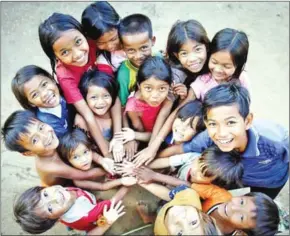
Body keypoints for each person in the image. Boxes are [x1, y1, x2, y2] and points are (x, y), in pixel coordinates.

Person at [38, 12, 123, 161]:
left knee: (121, 102)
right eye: (65, 52)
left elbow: (113, 92)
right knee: (80, 121)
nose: (77, 54)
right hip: (89, 105)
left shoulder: (93, 43)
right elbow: (88, 116)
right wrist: (107, 156)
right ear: (56, 56)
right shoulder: (65, 75)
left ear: (84, 34)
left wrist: (118, 139)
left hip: (104, 93)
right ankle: (95, 151)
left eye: (78, 42)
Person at [182, 83, 289, 199]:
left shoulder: (274, 141)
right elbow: (182, 148)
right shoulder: (208, 137)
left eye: (231, 122)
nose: (221, 133)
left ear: (247, 121)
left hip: (271, 182)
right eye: (213, 123)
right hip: (237, 181)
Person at [132, 19, 210, 167]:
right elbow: (168, 110)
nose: (192, 58)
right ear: (176, 54)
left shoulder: (214, 66)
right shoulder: (176, 73)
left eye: (197, 49)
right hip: (181, 119)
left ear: (206, 46)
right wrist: (152, 147)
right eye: (184, 53)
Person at [1, 110, 113, 186]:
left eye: (41, 127)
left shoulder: (53, 142)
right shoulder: (50, 167)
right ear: (29, 153)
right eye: (35, 140)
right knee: (79, 181)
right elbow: (86, 174)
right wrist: (113, 168)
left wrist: (102, 160)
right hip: (63, 187)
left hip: (70, 173)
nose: (45, 136)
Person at [13, 184, 129, 235]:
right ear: (55, 220)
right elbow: (114, 201)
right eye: (50, 208)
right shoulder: (86, 213)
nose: (56, 198)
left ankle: (72, 225)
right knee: (99, 222)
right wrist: (127, 186)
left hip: (81, 213)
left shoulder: (62, 192)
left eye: (45, 195)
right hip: (93, 218)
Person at [58, 128, 137, 190]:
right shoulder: (78, 181)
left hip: (111, 176)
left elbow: (100, 158)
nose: (84, 159)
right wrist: (121, 181)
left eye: (85, 152)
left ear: (90, 149)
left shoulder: (93, 155)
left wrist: (103, 161)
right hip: (107, 183)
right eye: (75, 157)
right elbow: (102, 186)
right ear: (67, 160)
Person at [133, 146, 243, 189]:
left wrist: (154, 175)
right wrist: (139, 165)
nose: (195, 170)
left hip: (175, 195)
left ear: (213, 182)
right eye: (199, 162)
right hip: (171, 178)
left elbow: (185, 185)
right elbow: (166, 161)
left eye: (203, 174)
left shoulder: (203, 189)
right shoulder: (193, 157)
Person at [11, 65, 73, 138]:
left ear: (52, 80)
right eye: (35, 94)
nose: (44, 94)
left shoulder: (63, 93)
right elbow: (68, 141)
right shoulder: (47, 122)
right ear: (31, 103)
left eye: (44, 84)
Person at [190, 28, 250, 101]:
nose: (217, 70)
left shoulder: (241, 79)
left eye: (226, 66)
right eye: (214, 62)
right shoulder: (202, 81)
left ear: (238, 65)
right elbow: (187, 101)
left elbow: (246, 102)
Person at [122, 56, 172, 145]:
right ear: (139, 86)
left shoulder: (168, 98)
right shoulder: (133, 107)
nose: (155, 96)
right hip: (149, 138)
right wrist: (135, 135)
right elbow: (143, 134)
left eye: (162, 88)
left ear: (170, 86)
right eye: (148, 88)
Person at [137, 183, 221, 235]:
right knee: (160, 209)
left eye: (180, 234)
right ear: (203, 216)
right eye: (193, 222)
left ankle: (148, 219)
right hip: (166, 206)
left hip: (160, 227)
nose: (180, 219)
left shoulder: (161, 233)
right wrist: (142, 182)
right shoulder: (190, 195)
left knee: (156, 220)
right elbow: (168, 195)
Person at [81, 1, 126, 74]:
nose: (109, 46)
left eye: (113, 39)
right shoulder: (102, 60)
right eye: (101, 43)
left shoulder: (133, 38)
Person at [75, 69, 118, 143]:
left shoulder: (114, 110)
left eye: (106, 96)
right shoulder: (81, 121)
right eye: (94, 97)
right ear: (85, 99)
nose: (101, 102)